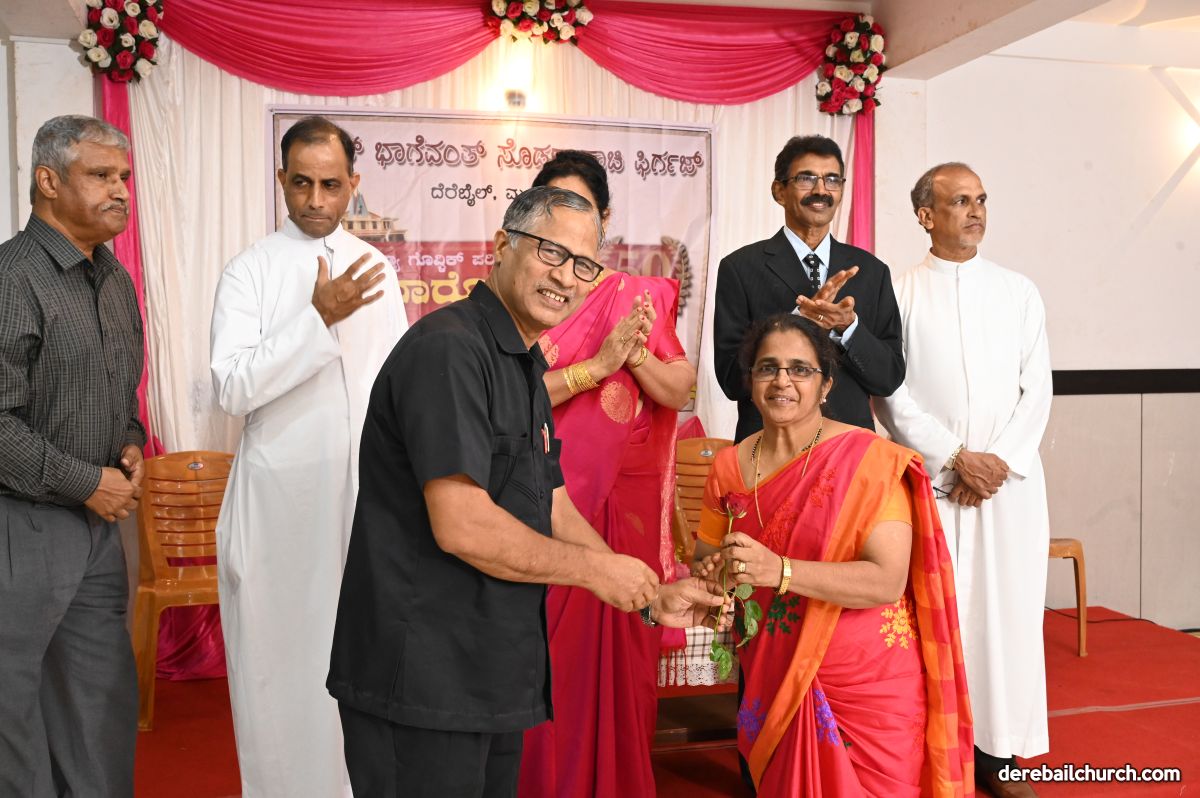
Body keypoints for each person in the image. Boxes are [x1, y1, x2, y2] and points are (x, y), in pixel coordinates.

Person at [327, 186, 726, 798]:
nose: (565, 277)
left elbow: (552, 503)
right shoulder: (449, 350)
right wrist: (596, 573)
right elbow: (462, 524)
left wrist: (649, 593)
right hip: (423, 679)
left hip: (492, 674)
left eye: (584, 265)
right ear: (501, 246)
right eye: (550, 252)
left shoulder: (524, 366)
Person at [209, 115, 408, 797]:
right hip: (280, 511)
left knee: (363, 671)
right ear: (280, 180)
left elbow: (393, 390)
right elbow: (232, 388)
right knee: (281, 675)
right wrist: (316, 318)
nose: (316, 200)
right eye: (301, 183)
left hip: (366, 504)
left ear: (354, 183)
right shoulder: (250, 270)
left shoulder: (377, 269)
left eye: (330, 184)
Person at [693, 314, 974, 796]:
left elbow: (886, 580)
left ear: (825, 385)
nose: (782, 381)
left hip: (866, 680)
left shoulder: (869, 460)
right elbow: (705, 561)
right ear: (751, 381)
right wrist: (716, 574)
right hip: (774, 670)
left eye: (800, 369)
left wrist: (779, 571)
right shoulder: (727, 468)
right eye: (768, 368)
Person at [518, 152, 696, 798]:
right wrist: (595, 367)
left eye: (582, 211)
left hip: (624, 510)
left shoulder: (637, 296)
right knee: (546, 664)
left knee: (621, 652)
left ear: (605, 220)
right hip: (541, 501)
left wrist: (633, 352)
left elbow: (678, 389)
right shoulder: (523, 300)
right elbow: (507, 398)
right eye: (553, 211)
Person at [875, 163, 1051, 798]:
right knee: (935, 616)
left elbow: (1038, 389)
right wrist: (954, 457)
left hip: (1007, 490)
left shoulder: (1018, 291)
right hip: (938, 485)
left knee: (1006, 620)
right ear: (926, 215)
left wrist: (994, 462)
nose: (975, 212)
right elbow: (890, 394)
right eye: (959, 201)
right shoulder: (898, 293)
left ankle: (999, 758)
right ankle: (935, 754)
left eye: (980, 200)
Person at [0, 115, 143, 796]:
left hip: (97, 531)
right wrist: (87, 481)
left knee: (99, 703)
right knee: (14, 712)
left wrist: (130, 440)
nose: (120, 190)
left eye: (124, 177)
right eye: (101, 175)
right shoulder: (12, 278)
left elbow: (119, 393)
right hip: (20, 524)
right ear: (48, 182)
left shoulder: (113, 279)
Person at [713, 135, 904, 440]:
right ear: (779, 191)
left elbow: (889, 378)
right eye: (806, 178)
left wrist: (849, 328)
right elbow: (730, 381)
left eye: (832, 180)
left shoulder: (872, 271)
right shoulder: (739, 268)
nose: (821, 190)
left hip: (849, 447)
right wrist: (798, 323)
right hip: (770, 446)